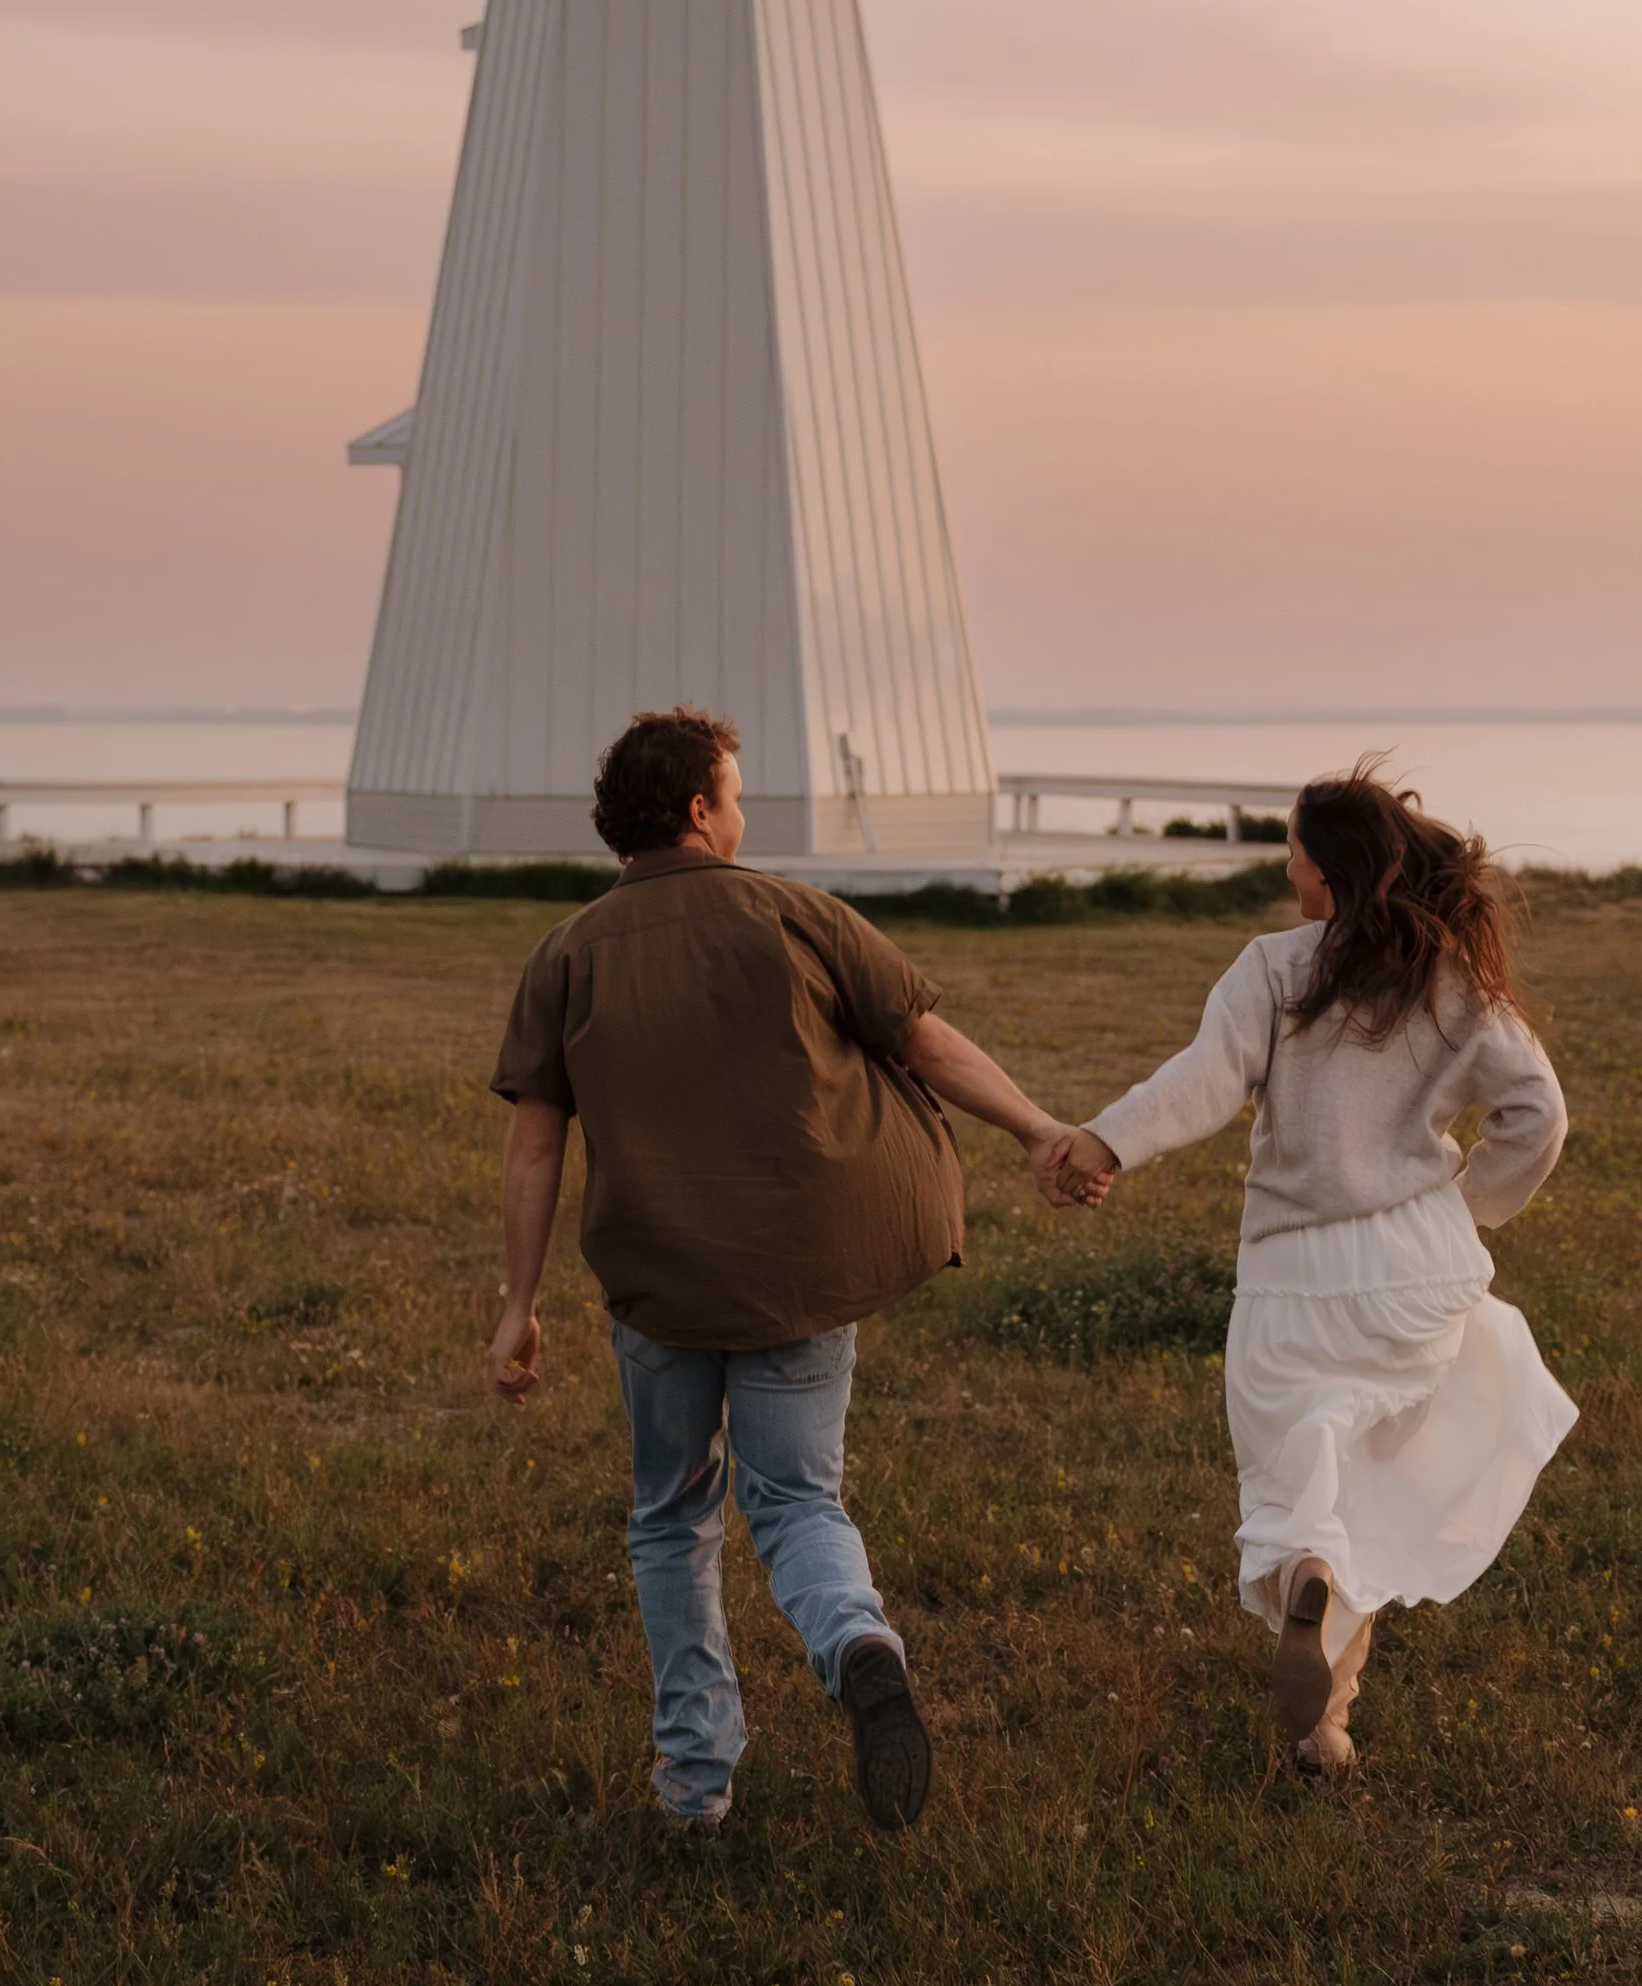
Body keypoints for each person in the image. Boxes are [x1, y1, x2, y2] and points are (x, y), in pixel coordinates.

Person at [488, 705, 1081, 1835]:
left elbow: (533, 1145)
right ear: (702, 809)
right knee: (798, 1499)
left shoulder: (565, 954)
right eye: (737, 790)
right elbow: (922, 1041)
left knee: (672, 1518)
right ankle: (856, 1641)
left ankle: (692, 1789)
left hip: (658, 1282)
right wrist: (1035, 1128)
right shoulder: (796, 913)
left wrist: (517, 1309)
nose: (744, 809)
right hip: (798, 1271)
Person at [1039, 763, 1575, 1778]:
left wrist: (1103, 1143)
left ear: (1328, 869)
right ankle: (1325, 1725)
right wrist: (1466, 1209)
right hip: (1414, 1267)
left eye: (1292, 849)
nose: (1286, 866)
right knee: (1374, 1478)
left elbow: (1200, 1085)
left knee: (1300, 1478)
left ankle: (1310, 1588)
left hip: (1292, 1275)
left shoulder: (1272, 968)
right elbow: (1538, 1115)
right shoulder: (1451, 979)